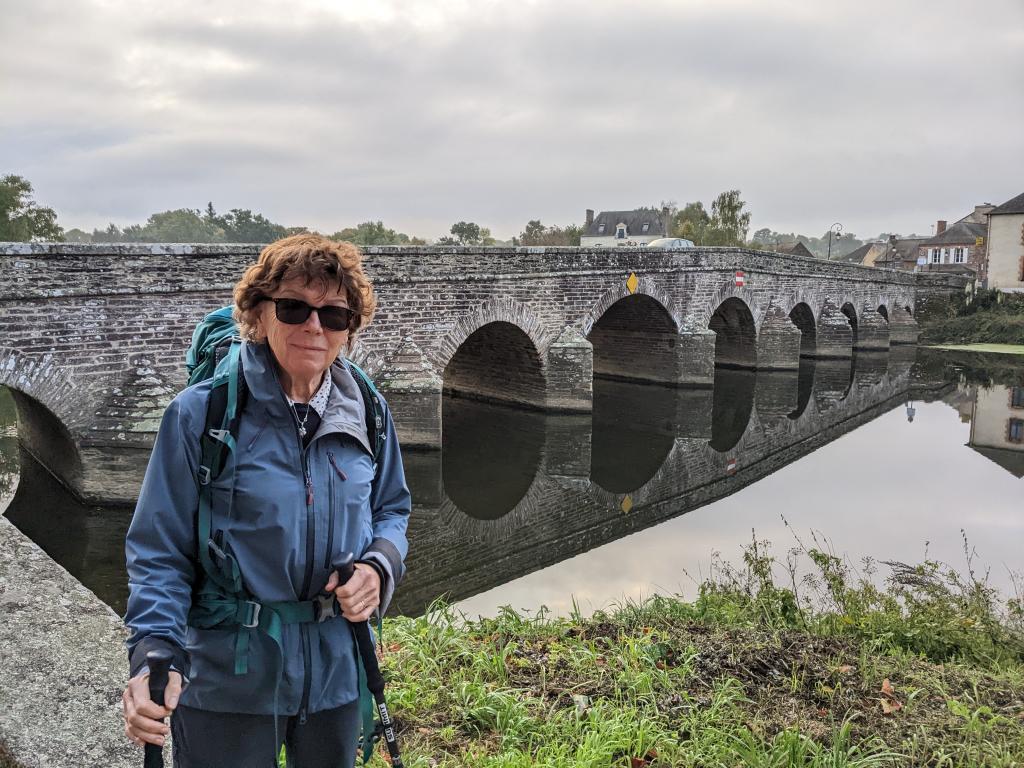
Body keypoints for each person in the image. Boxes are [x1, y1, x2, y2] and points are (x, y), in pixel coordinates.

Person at [121, 234, 411, 767]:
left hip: (336, 675)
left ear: (350, 329)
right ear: (259, 316)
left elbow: (392, 508)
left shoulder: (369, 412)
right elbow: (158, 551)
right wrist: (154, 649)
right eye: (295, 307)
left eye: (335, 315)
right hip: (228, 683)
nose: (315, 326)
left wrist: (378, 565)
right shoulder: (199, 416)